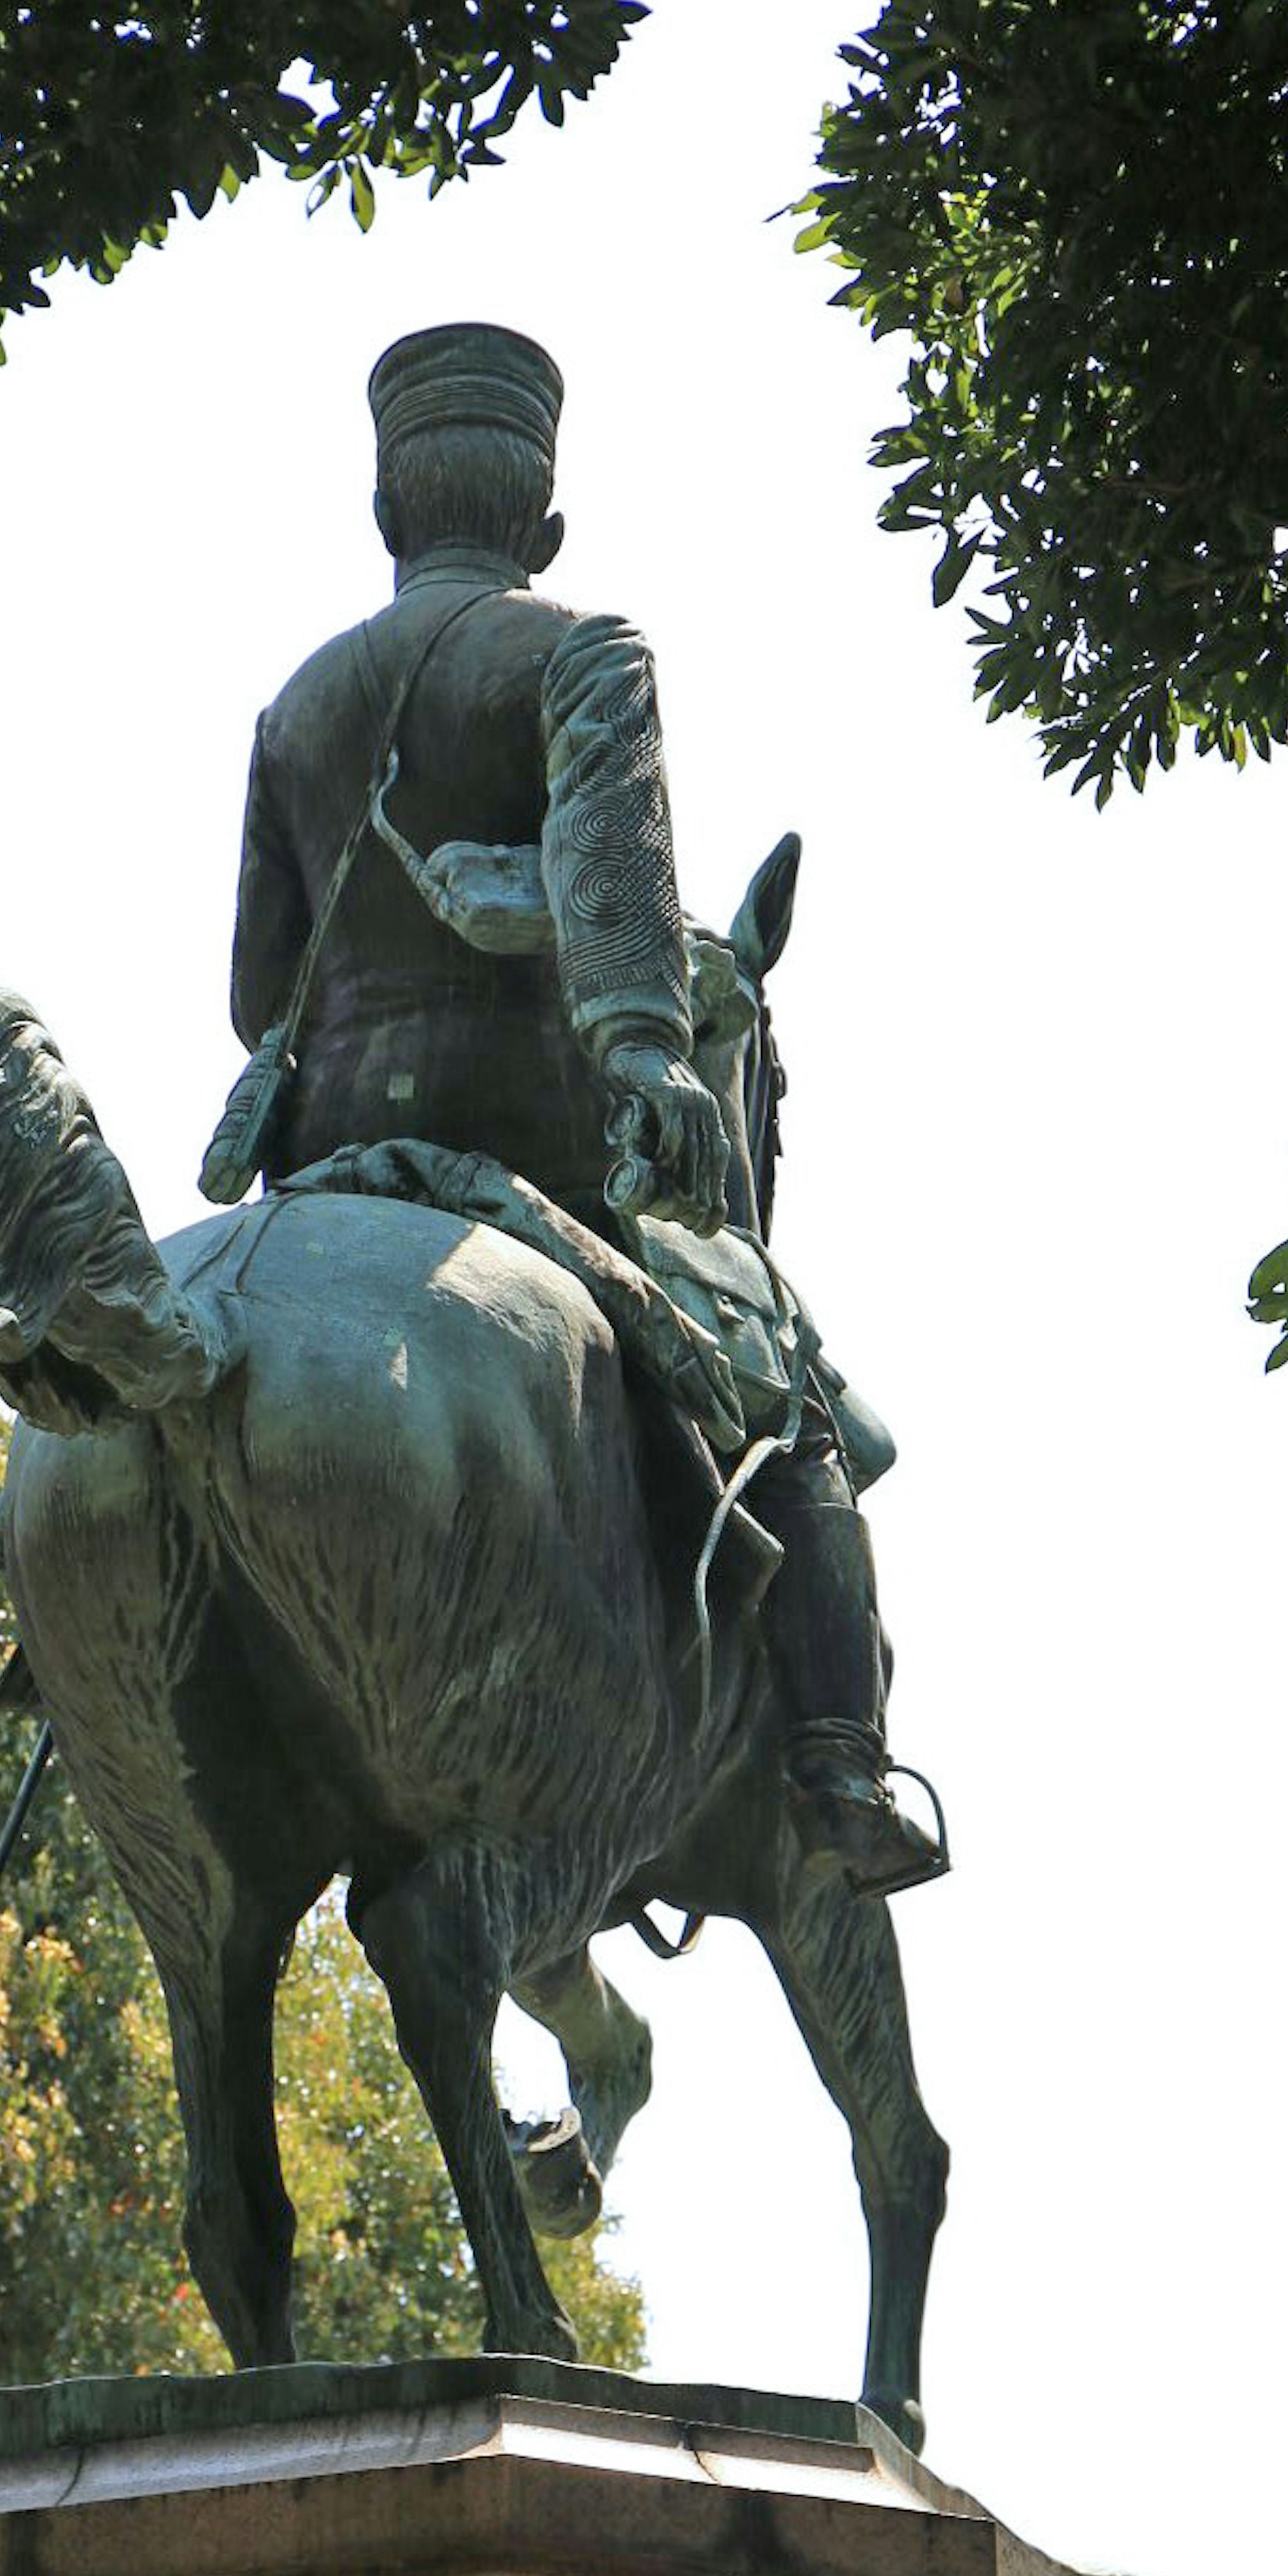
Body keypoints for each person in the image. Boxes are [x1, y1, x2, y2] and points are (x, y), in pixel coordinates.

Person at [209, 319, 944, 1900]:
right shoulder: (579, 650)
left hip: (327, 1156)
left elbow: (256, 996)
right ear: (543, 521)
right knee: (788, 1384)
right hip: (531, 1152)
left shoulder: (296, 706)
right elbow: (621, 886)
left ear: (388, 513)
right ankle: (837, 1757)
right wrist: (645, 1053)